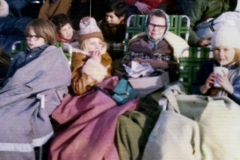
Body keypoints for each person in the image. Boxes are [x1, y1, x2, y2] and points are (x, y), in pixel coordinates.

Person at [0, 18, 71, 159]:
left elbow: (57, 78)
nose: (31, 40)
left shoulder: (54, 55)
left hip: (36, 96)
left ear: (46, 36)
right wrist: (12, 83)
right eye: (29, 36)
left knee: (7, 122)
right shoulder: (21, 56)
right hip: (16, 93)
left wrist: (19, 84)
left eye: (36, 37)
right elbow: (12, 78)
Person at [122, 9, 188, 82]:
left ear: (166, 28)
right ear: (147, 25)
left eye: (160, 26)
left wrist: (164, 64)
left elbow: (182, 69)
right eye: (152, 25)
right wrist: (130, 63)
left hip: (162, 84)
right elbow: (123, 64)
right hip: (136, 83)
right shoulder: (137, 43)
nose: (155, 29)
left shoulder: (173, 46)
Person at [191, 23, 240, 104]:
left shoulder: (238, 71)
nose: (220, 54)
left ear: (236, 51)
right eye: (217, 49)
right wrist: (204, 87)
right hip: (208, 107)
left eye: (226, 49)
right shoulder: (207, 66)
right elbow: (193, 88)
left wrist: (230, 88)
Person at [71, 16, 112, 95]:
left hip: (103, 95)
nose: (97, 47)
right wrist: (93, 64)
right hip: (87, 99)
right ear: (84, 45)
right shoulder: (78, 58)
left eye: (99, 43)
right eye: (92, 43)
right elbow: (79, 88)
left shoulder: (105, 56)